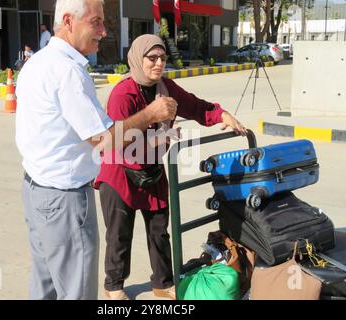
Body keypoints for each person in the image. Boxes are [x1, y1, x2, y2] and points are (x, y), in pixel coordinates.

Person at [15, 1, 177, 300]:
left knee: (46, 284)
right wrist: (151, 115)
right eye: (96, 22)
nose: (103, 31)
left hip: (36, 190)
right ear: (68, 21)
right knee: (78, 292)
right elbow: (105, 141)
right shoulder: (68, 72)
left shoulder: (36, 63)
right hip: (65, 199)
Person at [94, 34, 247, 300]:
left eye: (162, 58)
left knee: (159, 230)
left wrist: (221, 114)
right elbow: (119, 143)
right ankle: (113, 286)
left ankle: (162, 283)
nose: (158, 63)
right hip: (119, 171)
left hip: (152, 170)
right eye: (151, 58)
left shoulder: (166, 88)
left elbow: (196, 106)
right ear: (137, 59)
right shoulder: (123, 93)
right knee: (119, 234)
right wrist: (162, 136)